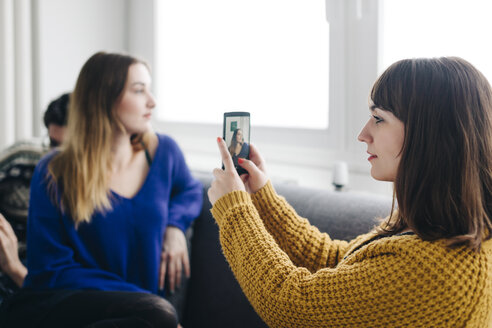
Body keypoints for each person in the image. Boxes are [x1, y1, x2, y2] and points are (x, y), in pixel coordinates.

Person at [207, 57, 492, 327]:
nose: (363, 134)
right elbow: (338, 262)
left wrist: (235, 211)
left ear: (431, 134)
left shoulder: (434, 270)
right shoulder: (436, 229)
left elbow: (292, 304)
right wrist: (262, 197)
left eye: (378, 119)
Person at [0, 52, 203, 328]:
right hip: (66, 305)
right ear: (104, 98)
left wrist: (175, 226)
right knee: (158, 316)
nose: (152, 101)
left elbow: (190, 191)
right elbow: (50, 269)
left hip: (138, 315)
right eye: (139, 90)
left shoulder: (163, 152)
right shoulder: (54, 170)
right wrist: (142, 300)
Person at [0, 92, 70, 300]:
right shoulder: (23, 156)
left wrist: (173, 227)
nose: (54, 155)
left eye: (65, 148)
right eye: (52, 143)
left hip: (46, 271)